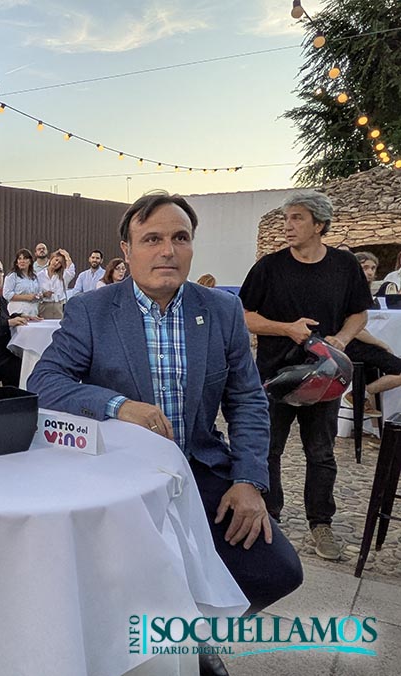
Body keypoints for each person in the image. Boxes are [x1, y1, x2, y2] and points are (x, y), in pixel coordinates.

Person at [28, 193, 302, 676]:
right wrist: (117, 406)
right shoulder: (92, 310)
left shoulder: (221, 310)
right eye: (152, 239)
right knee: (131, 578)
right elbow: (44, 382)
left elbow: (247, 401)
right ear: (127, 249)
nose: (167, 251)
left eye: (180, 238)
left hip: (197, 467)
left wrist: (249, 480)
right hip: (118, 476)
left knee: (277, 570)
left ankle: (192, 638)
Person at [240, 190, 372, 561]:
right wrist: (287, 329)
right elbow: (244, 315)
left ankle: (321, 523)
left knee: (321, 453)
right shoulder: (269, 267)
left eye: (297, 218)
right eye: (286, 218)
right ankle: (270, 518)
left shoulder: (345, 266)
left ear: (319, 224)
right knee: (268, 451)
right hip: (274, 377)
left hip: (324, 378)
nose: (288, 225)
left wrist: (341, 339)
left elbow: (359, 312)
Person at [342, 252, 401, 416]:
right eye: (365, 267)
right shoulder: (347, 292)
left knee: (378, 366)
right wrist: (380, 343)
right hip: (350, 345)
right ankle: (360, 394)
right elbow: (353, 329)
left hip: (355, 343)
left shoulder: (361, 292)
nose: (369, 272)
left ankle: (363, 397)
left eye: (373, 268)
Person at [0, 257, 36, 387]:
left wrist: (21, 316)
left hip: (3, 354)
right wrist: (9, 323)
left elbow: (3, 318)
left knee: (23, 372)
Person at [3, 248, 44, 316]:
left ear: (30, 261)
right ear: (16, 262)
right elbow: (7, 294)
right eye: (19, 259)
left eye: (25, 258)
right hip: (18, 310)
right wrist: (26, 297)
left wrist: (39, 296)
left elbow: (39, 292)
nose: (22, 261)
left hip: (33, 310)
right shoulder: (12, 276)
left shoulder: (34, 277)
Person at [36, 249, 75, 318]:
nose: (56, 263)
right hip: (44, 306)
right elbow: (35, 292)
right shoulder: (39, 275)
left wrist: (67, 256)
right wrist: (43, 295)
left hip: (58, 306)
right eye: (56, 260)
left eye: (60, 263)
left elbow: (71, 271)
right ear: (51, 259)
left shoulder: (63, 276)